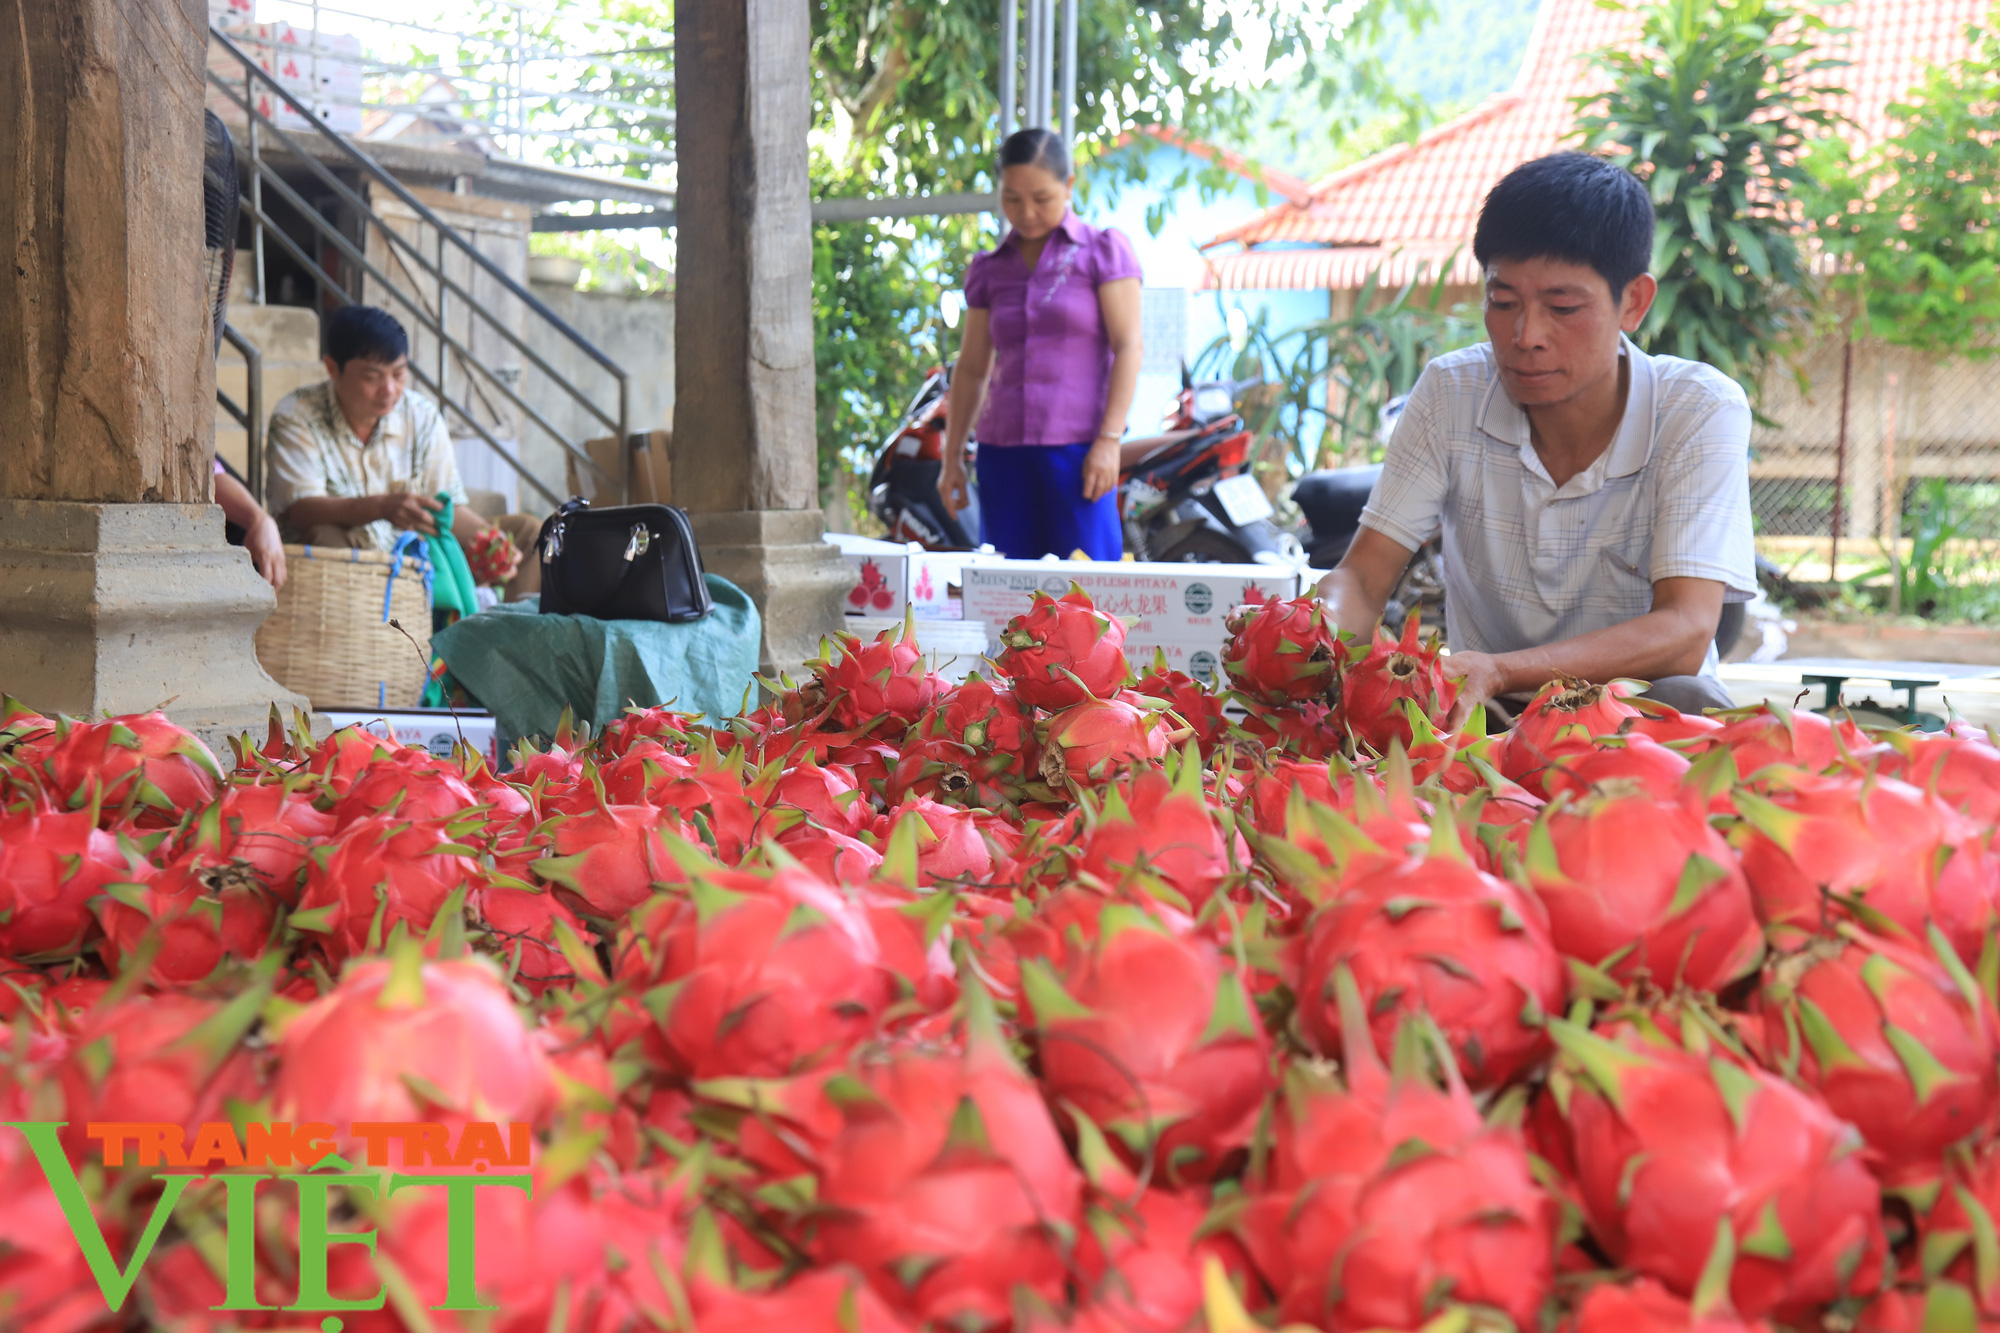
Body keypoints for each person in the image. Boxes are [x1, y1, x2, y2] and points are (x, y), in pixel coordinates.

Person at [1319, 152, 1755, 726]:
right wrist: (1309, 632)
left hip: (1641, 711)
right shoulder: (1452, 392)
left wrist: (1503, 669)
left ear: (1634, 302)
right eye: (1503, 303)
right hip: (1487, 709)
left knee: (1693, 705)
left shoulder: (1699, 408)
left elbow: (1685, 632)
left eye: (1563, 307)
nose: (1526, 336)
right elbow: (1361, 577)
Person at [939, 128, 1142, 561]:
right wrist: (952, 457)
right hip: (1002, 454)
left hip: (1081, 452)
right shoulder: (989, 269)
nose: (1026, 212)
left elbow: (1129, 346)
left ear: (1068, 187)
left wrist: (1109, 441)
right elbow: (973, 368)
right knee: (1009, 592)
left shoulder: (1102, 252)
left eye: (1042, 198)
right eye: (1012, 198)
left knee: (1087, 595)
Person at [265, 305, 524, 582]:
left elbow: (444, 506)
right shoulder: (298, 414)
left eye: (399, 374)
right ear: (332, 368)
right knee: (324, 533)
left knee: (528, 533)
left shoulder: (421, 415)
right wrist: (379, 507)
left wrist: (492, 543)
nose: (389, 389)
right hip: (342, 560)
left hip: (413, 556)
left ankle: (508, 624)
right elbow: (301, 511)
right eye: (372, 377)